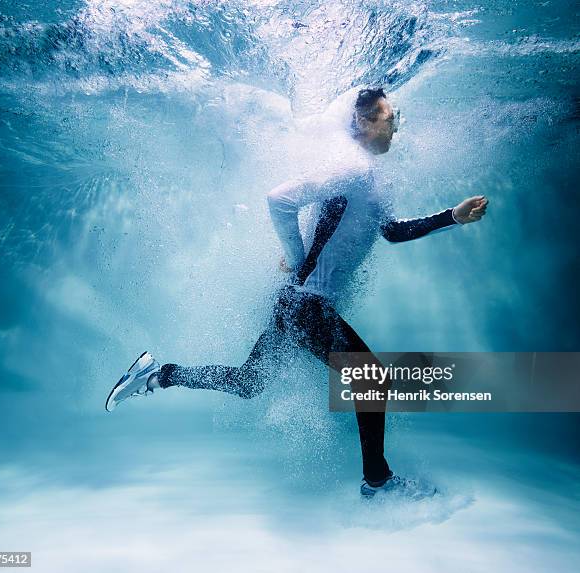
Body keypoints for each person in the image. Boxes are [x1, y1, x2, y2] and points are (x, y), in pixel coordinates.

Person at [105, 86, 488, 498]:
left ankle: (159, 375)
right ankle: (378, 482)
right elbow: (280, 199)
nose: (396, 126)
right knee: (372, 382)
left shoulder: (373, 182)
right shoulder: (352, 171)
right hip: (305, 304)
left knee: (250, 383)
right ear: (362, 122)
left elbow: (392, 232)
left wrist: (453, 216)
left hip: (296, 303)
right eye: (389, 118)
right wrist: (295, 254)